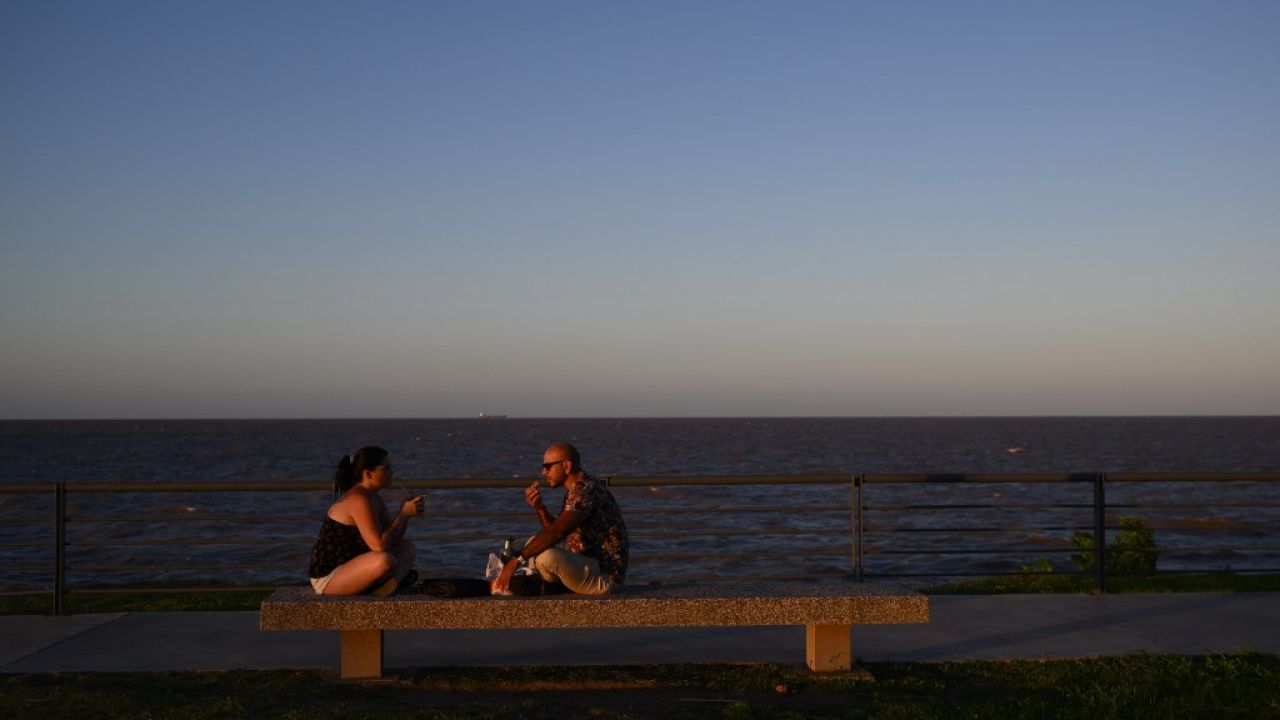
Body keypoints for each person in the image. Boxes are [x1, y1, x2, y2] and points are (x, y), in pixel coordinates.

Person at [491, 442, 629, 595]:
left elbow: (558, 531)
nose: (544, 472)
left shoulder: (585, 490)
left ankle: (528, 583)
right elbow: (556, 532)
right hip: (587, 564)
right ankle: (533, 583)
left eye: (548, 466)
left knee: (545, 556)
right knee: (533, 543)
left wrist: (516, 561)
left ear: (567, 466)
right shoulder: (577, 489)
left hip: (604, 577)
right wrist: (540, 507)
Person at [307, 446, 424, 595]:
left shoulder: (374, 498)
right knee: (384, 560)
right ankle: (388, 583)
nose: (392, 472)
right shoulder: (358, 499)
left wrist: (405, 515)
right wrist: (402, 515)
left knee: (408, 548)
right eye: (386, 468)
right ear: (369, 474)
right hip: (330, 577)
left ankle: (386, 586)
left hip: (355, 566)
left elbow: (392, 539)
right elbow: (379, 546)